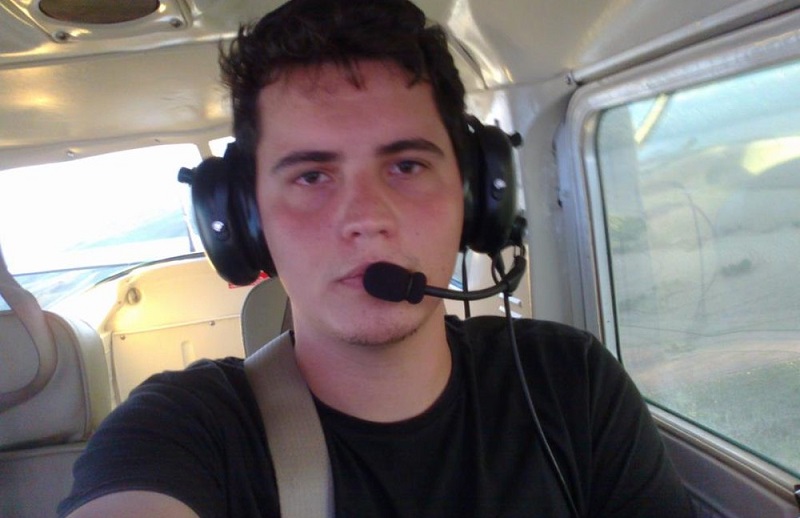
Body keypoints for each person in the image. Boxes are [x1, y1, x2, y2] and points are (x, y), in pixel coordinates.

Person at [59, 0, 695, 516]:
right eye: (311, 176)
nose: (366, 217)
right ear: (247, 222)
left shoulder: (570, 382)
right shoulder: (181, 430)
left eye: (407, 165)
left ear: (475, 197)